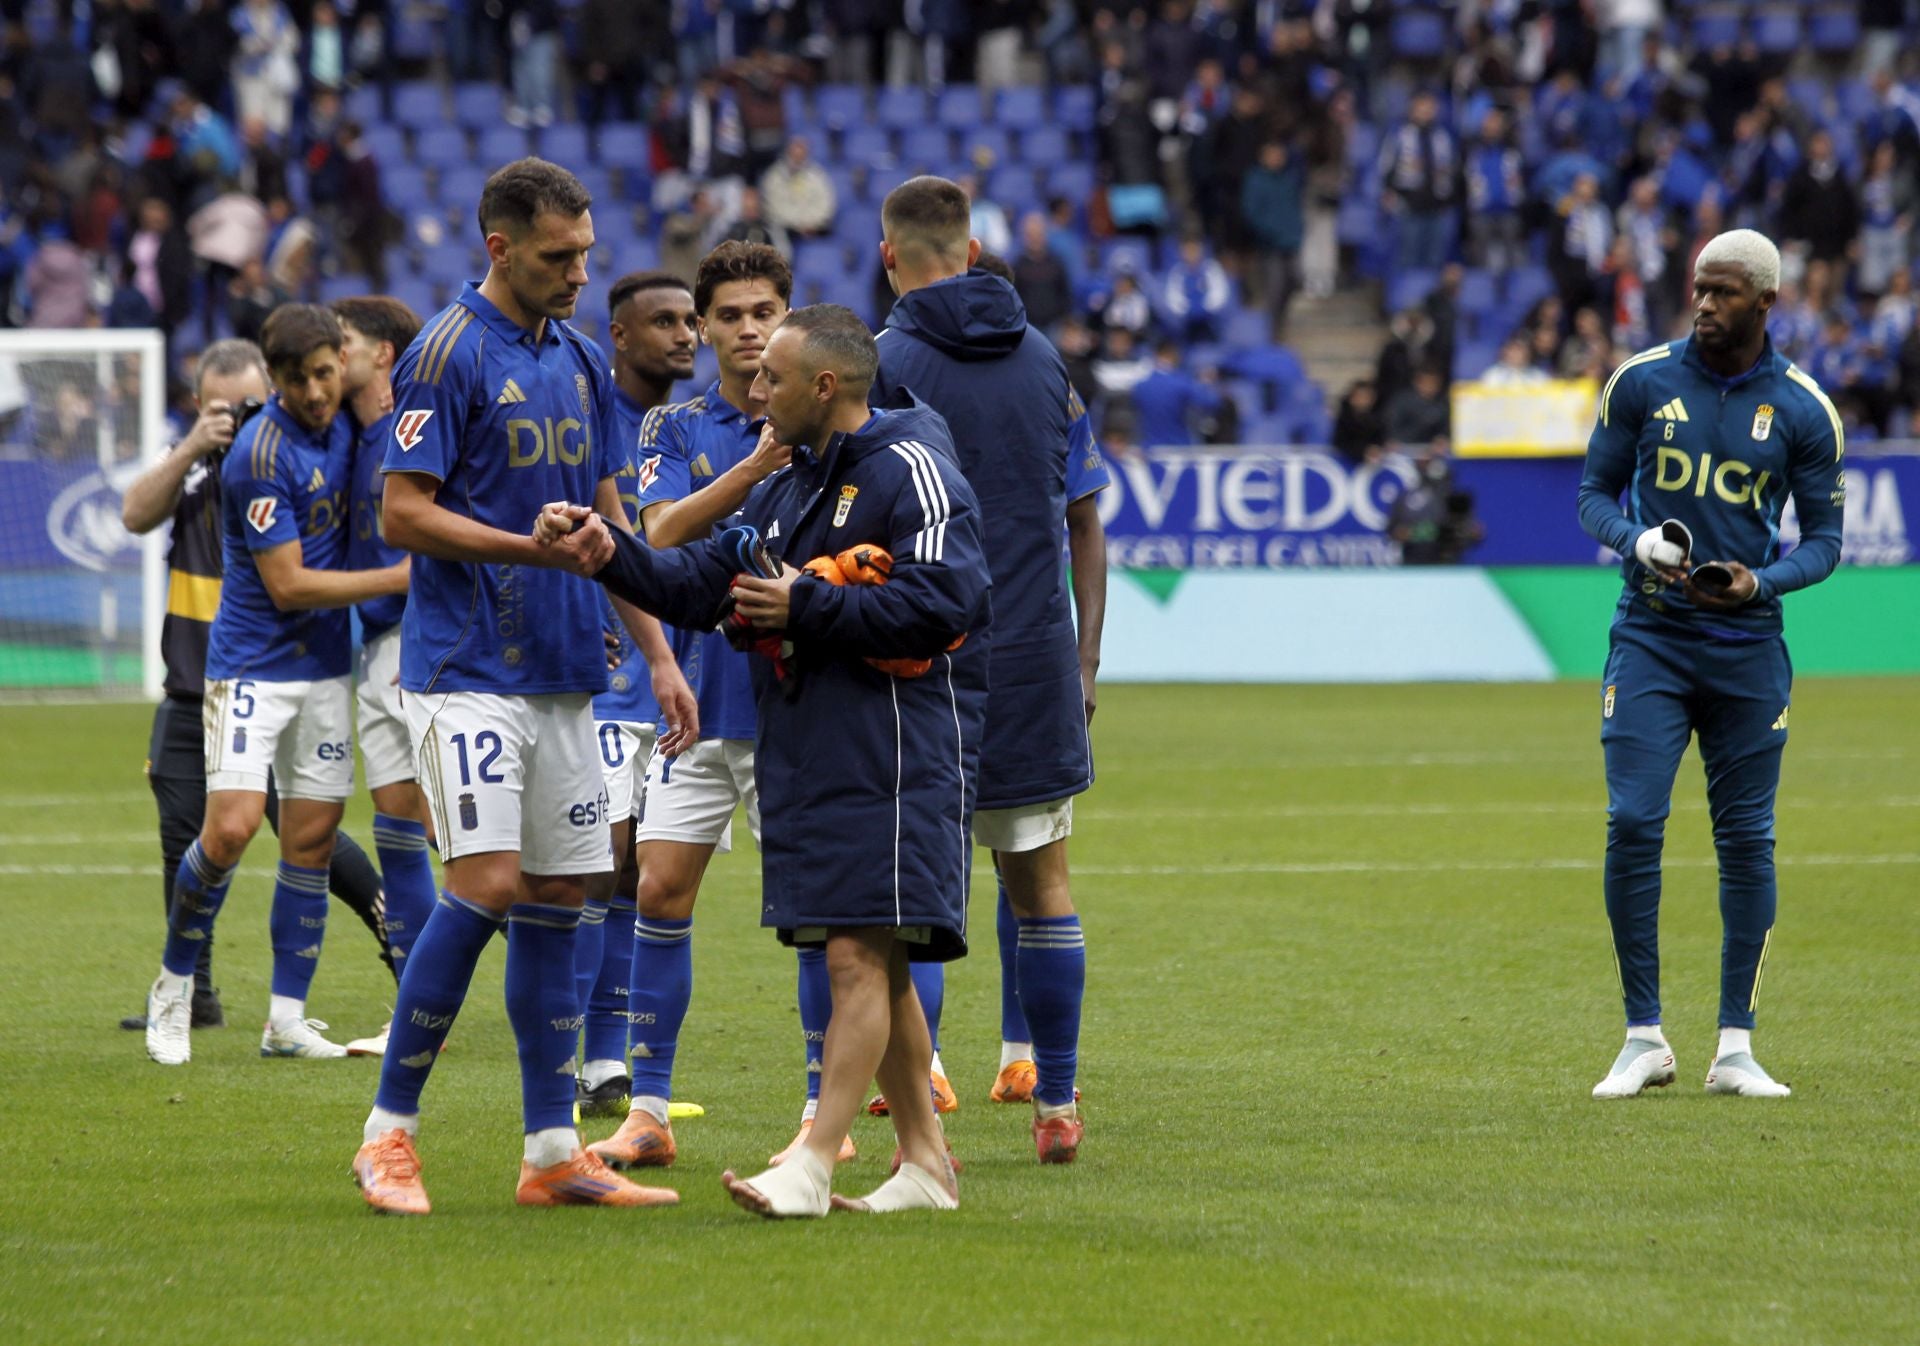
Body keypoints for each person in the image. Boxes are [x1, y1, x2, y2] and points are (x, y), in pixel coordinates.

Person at [544, 303, 990, 1215]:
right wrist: (607, 555)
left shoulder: (913, 466)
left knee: (860, 954)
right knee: (875, 955)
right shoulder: (784, 488)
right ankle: (926, 1166)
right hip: (811, 748)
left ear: (825, 386)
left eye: (772, 380)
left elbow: (955, 599)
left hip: (895, 747)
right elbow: (703, 583)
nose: (754, 391)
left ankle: (814, 1161)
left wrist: (811, 611)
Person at [350, 159, 689, 1215]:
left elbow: (610, 524)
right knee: (488, 884)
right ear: (500, 248)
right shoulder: (445, 354)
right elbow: (400, 514)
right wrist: (524, 549)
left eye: (586, 251)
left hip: (567, 674)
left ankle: (551, 1150)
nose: (581, 272)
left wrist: (663, 654)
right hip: (464, 670)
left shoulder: (583, 362)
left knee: (559, 894)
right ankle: (386, 1134)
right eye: (559, 256)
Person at [1577, 229, 1845, 1101]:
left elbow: (1829, 543)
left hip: (1748, 653)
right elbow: (1591, 496)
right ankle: (1642, 1036)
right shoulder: (1642, 381)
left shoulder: (1804, 410)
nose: (1703, 304)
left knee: (1746, 842)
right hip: (1649, 637)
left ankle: (1736, 1046)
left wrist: (1760, 582)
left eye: (1723, 293)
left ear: (1766, 303)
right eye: (1698, 287)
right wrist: (1638, 541)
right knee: (1632, 821)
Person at [585, 242, 833, 1173]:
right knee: (657, 888)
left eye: (762, 310)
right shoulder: (671, 425)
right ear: (705, 326)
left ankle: (821, 1108)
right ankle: (647, 1109)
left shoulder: (829, 415)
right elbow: (659, 532)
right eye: (725, 315)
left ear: (787, 316)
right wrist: (761, 465)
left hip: (796, 704)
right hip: (698, 704)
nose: (745, 328)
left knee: (815, 913)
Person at [867, 175, 1096, 1163]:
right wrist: (1085, 658)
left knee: (906, 897)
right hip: (1037, 658)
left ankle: (917, 1094)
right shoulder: (1050, 363)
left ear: (890, 257)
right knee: (1043, 883)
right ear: (971, 250)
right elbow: (1083, 514)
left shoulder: (878, 364)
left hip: (917, 659)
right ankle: (1057, 1100)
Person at [142, 306, 412, 1067]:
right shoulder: (258, 454)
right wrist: (397, 577)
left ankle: (285, 1020)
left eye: (326, 373)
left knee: (312, 841)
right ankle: (173, 986)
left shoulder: (354, 428)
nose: (317, 390)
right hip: (252, 665)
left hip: (327, 669)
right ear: (275, 380)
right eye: (299, 380)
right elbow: (288, 585)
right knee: (228, 829)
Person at [574, 269, 701, 1118]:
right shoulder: (585, 408)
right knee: (596, 868)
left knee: (634, 880)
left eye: (691, 320)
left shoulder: (690, 429)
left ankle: (607, 1066)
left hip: (664, 683)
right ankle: (571, 1062)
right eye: (665, 322)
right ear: (620, 335)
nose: (686, 335)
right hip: (595, 683)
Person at [330, 295, 438, 1058]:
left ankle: (567, 968)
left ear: (385, 356)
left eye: (346, 345)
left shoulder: (418, 428)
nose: (332, 357)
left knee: (458, 831)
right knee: (396, 826)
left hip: (422, 642)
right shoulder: (349, 434)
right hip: (375, 648)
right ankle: (415, 1003)